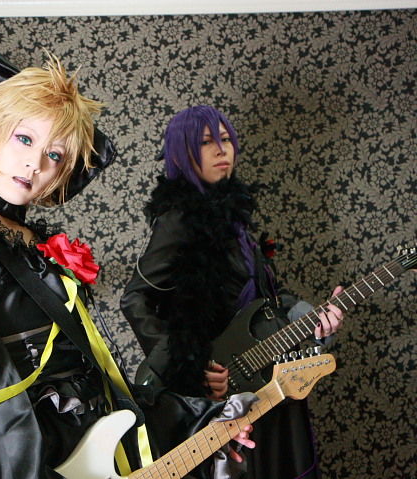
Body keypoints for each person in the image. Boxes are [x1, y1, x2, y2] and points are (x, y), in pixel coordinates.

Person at [0, 52, 255, 479]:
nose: (36, 164)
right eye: (24, 139)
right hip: (33, 460)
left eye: (55, 154)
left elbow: (96, 375)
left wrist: (202, 423)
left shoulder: (29, 238)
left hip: (91, 440)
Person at [120, 105, 345, 478]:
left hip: (267, 377)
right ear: (182, 152)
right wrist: (190, 366)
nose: (221, 149)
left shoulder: (234, 218)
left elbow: (266, 299)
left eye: (225, 139)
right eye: (207, 142)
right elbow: (135, 298)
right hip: (227, 391)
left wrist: (314, 320)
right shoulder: (179, 219)